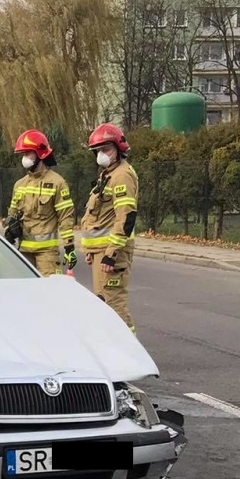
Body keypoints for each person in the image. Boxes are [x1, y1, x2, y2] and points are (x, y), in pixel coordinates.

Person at [81, 122, 139, 331]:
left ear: (118, 149)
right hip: (101, 252)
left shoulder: (122, 175)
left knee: (114, 306)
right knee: (103, 303)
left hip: (112, 255)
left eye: (106, 149)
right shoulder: (107, 175)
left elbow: (126, 217)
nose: (101, 155)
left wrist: (111, 254)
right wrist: (91, 250)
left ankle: (131, 355)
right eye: (98, 150)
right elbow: (99, 217)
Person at [7, 130, 76, 275]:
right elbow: (12, 214)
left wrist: (69, 246)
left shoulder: (57, 183)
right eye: (23, 154)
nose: (24, 158)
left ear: (40, 153)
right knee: (25, 295)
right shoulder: (19, 185)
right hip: (24, 252)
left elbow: (65, 217)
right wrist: (10, 230)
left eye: (28, 153)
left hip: (47, 255)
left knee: (49, 293)